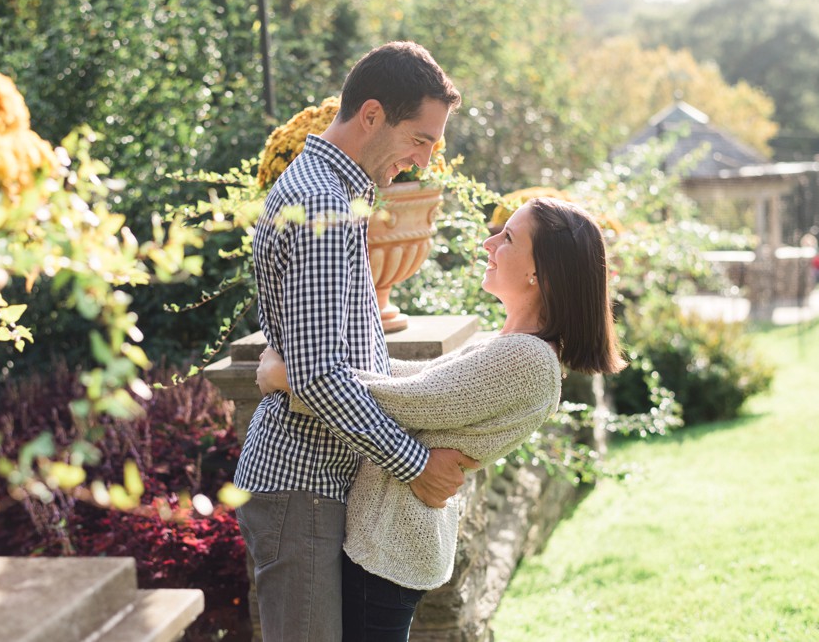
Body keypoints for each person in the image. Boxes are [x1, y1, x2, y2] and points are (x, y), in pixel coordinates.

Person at [257, 197, 628, 639]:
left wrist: (292, 377)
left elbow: (407, 399)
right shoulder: (512, 344)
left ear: (539, 273)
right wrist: (319, 368)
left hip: (388, 549)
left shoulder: (527, 359)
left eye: (507, 237)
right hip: (388, 542)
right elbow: (414, 379)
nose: (489, 243)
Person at [233, 41, 474, 642]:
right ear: (371, 116)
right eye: (419, 139)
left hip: (319, 490)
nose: (421, 161)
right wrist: (417, 465)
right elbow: (318, 376)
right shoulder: (322, 206)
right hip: (301, 487)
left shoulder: (335, 197)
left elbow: (345, 357)